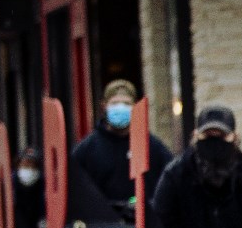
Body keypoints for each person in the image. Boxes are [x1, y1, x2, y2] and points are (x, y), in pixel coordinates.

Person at [71, 79, 174, 213]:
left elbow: (170, 184)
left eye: (126, 104)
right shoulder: (87, 149)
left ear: (136, 106)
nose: (120, 108)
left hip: (144, 226)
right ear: (104, 106)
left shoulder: (152, 147)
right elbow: (74, 189)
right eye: (115, 103)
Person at [12, 148, 46, 228]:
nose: (29, 168)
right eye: (26, 165)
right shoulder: (10, 182)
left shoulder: (43, 182)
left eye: (32, 165)